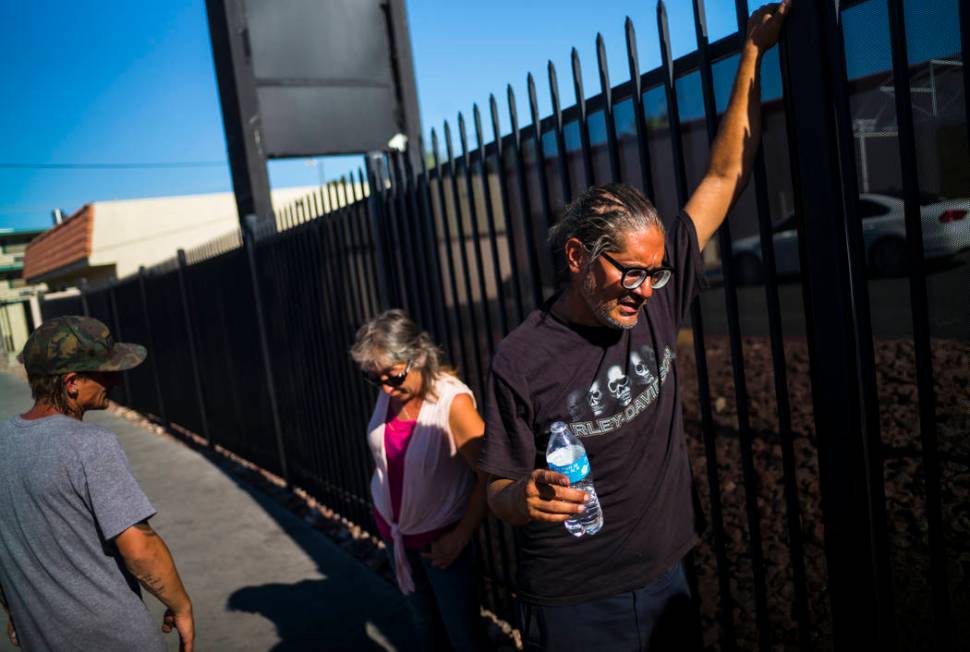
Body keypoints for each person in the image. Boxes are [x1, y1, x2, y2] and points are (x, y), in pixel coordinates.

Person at [479, 3, 791, 650]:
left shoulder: (654, 290)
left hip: (667, 573)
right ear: (578, 259)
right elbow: (495, 490)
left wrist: (754, 55)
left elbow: (726, 170)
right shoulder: (520, 358)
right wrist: (523, 498)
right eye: (632, 273)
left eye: (659, 274)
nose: (649, 291)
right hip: (573, 600)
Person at [0, 316, 195, 652]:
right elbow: (140, 550)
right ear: (72, 381)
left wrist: (16, 607)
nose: (116, 380)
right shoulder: (90, 444)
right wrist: (181, 606)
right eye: (105, 372)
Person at [351, 309, 490, 651]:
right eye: (375, 378)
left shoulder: (452, 403)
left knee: (464, 637)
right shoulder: (393, 392)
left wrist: (460, 538)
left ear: (419, 357)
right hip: (396, 535)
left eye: (393, 376)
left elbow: (490, 474)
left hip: (439, 545)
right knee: (425, 625)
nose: (385, 386)